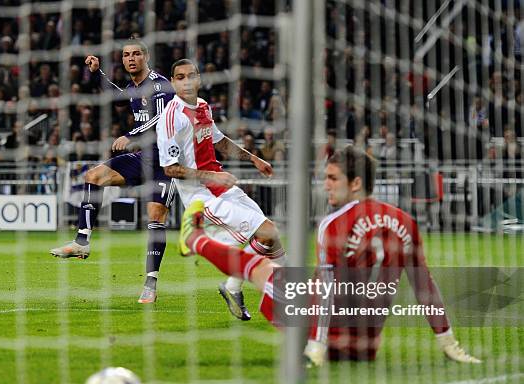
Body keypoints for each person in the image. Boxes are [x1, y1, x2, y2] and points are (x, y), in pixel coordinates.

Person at [178, 146, 481, 366]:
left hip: (321, 333)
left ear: (356, 183)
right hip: (365, 347)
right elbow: (424, 286)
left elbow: (324, 292)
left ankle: (195, 239)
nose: (326, 185)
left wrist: (315, 347)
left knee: (261, 267)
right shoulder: (405, 222)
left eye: (333, 178)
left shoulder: (334, 224)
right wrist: (449, 343)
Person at [156, 59, 286, 321]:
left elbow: (219, 141)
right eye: (180, 77)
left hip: (220, 186)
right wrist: (212, 175)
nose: (187, 81)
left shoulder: (203, 106)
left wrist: (253, 159)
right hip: (201, 197)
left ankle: (234, 287)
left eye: (191, 76)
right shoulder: (171, 118)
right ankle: (284, 300)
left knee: (272, 238)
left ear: (199, 79)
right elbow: (170, 169)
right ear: (172, 82)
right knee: (267, 231)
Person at [50, 38, 176, 304]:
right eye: (126, 55)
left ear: (146, 56)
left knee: (154, 218)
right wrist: (97, 74)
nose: (131, 59)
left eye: (136, 54)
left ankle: (150, 284)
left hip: (165, 162)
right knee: (93, 176)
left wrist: (131, 134)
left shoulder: (161, 85)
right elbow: (118, 99)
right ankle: (82, 241)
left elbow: (161, 119)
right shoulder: (133, 86)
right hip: (142, 157)